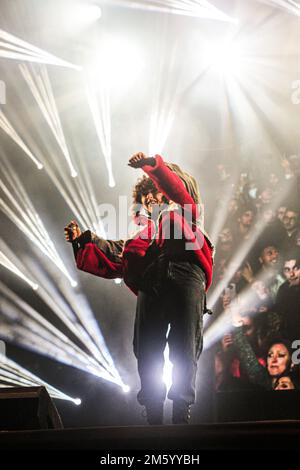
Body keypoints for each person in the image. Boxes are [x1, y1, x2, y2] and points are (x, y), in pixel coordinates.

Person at [65, 152, 214, 425]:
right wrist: (83, 240)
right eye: (147, 201)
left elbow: (177, 187)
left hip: (186, 271)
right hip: (151, 279)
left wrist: (152, 167)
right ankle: (154, 410)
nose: (151, 202)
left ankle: (181, 410)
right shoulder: (143, 239)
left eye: (155, 196)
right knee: (147, 347)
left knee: (184, 344)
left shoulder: (186, 211)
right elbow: (117, 256)